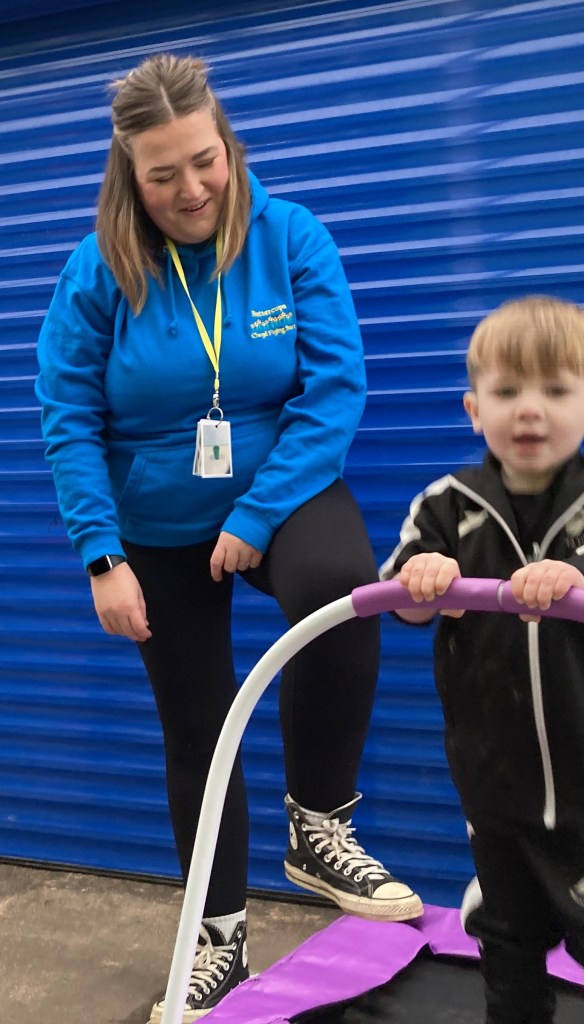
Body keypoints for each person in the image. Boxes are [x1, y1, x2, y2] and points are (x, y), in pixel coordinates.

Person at [35, 53, 421, 1024]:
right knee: (197, 732)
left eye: (203, 161)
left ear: (228, 143)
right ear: (129, 174)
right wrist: (101, 553)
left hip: (280, 492)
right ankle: (217, 939)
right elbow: (66, 411)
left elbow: (333, 388)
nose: (190, 188)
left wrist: (254, 516)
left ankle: (319, 822)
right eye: (161, 174)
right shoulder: (99, 270)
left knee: (341, 588)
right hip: (155, 525)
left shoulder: (289, 237)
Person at [381, 296, 584, 1024]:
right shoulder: (447, 504)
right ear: (474, 409)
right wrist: (424, 583)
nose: (530, 411)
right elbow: (401, 591)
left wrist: (582, 573)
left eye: (555, 390)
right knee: (506, 945)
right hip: (494, 785)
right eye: (507, 392)